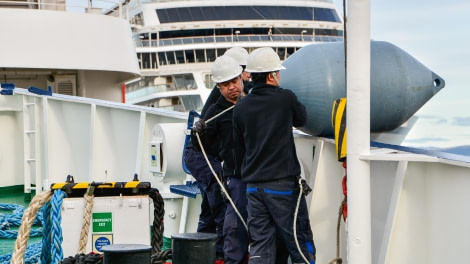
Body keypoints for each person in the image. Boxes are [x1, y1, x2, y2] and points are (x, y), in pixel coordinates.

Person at [232, 47, 316, 264]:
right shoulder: (285, 99)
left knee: (260, 245)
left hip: (253, 187)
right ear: (271, 75)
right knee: (298, 240)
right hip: (282, 186)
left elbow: (238, 147)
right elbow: (302, 119)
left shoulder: (241, 107)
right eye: (278, 72)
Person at [192, 55, 249, 264]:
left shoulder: (254, 99)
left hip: (261, 172)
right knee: (234, 224)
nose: (232, 87)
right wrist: (199, 132)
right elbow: (201, 146)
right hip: (236, 175)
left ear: (241, 78)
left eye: (234, 81)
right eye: (225, 85)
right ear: (218, 87)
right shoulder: (215, 112)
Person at [201, 47, 252, 116]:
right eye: (225, 84)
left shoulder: (251, 90)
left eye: (234, 81)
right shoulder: (216, 107)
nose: (249, 75)